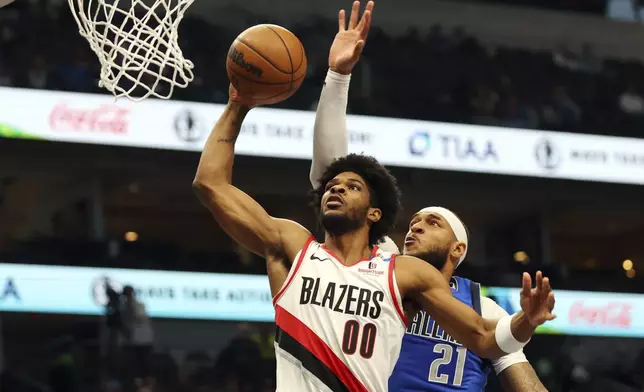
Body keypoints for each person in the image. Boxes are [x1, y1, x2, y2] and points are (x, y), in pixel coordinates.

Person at [192, 3, 555, 390]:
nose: (336, 188)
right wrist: (239, 104)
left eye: (352, 187)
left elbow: (485, 337)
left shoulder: (401, 273)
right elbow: (211, 185)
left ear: (374, 213)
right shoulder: (294, 247)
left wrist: (526, 321)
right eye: (332, 186)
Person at [309, 2, 548, 391]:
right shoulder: (383, 262)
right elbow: (331, 174)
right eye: (414, 221)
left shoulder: (481, 308)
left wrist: (527, 321)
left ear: (457, 250)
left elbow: (527, 382)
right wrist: (338, 77)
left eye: (432, 223)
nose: (414, 228)